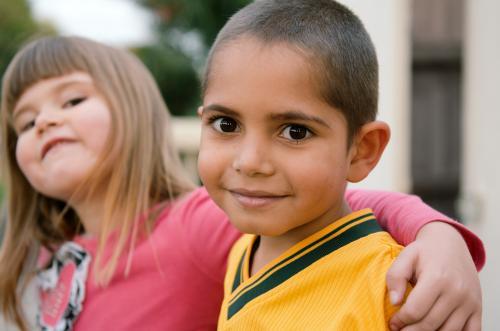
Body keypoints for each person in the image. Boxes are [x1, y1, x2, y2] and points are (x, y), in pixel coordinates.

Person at [0, 36, 482, 331]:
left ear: (135, 111)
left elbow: (341, 199)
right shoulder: (43, 253)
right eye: (25, 121)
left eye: (71, 101)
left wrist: (436, 235)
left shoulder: (190, 225)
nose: (44, 122)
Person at [197, 1, 483, 330]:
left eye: (295, 131)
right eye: (226, 125)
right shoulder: (243, 250)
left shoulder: (395, 289)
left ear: (362, 151)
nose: (249, 162)